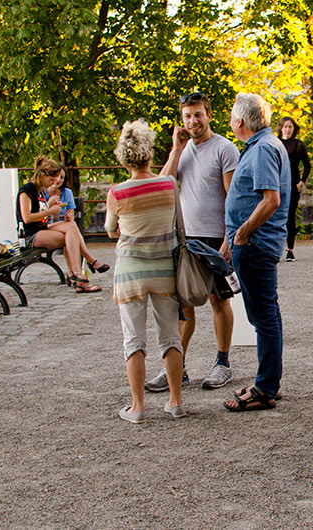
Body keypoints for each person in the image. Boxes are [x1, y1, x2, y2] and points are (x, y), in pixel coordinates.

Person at [145, 92, 239, 393]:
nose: (193, 121)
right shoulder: (182, 150)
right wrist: (175, 150)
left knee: (218, 299)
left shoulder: (224, 148)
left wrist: (229, 238)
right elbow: (162, 183)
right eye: (187, 116)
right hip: (186, 239)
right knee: (183, 303)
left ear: (208, 114)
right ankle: (177, 366)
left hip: (215, 237)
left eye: (198, 114)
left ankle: (222, 363)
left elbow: (232, 199)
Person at [106, 119, 185, 423]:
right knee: (171, 338)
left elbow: (111, 230)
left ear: (124, 157)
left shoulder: (117, 193)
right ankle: (176, 401)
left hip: (130, 272)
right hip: (164, 269)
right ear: (150, 153)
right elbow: (178, 223)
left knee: (134, 339)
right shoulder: (168, 185)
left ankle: (137, 407)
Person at [223, 93, 291, 412]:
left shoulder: (263, 148)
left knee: (264, 316)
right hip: (253, 244)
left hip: (255, 245)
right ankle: (267, 382)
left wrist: (242, 232)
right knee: (265, 315)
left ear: (240, 122)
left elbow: (271, 199)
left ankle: (265, 388)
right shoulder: (264, 145)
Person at [16, 156, 105, 292]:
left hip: (42, 228)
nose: (53, 183)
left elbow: (43, 211)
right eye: (51, 180)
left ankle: (79, 272)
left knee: (72, 226)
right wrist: (49, 211)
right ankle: (78, 273)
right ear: (42, 175)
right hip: (30, 235)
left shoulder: (40, 190)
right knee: (71, 237)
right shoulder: (27, 190)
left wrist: (51, 206)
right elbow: (26, 218)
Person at [276, 116, 311, 262]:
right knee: (275, 218)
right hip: (276, 185)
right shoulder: (275, 144)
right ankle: (275, 250)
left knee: (290, 217)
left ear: (294, 129)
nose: (288, 129)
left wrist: (301, 182)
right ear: (281, 128)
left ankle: (290, 250)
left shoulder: (298, 145)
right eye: (285, 126)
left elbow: (307, 165)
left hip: (292, 185)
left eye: (290, 127)